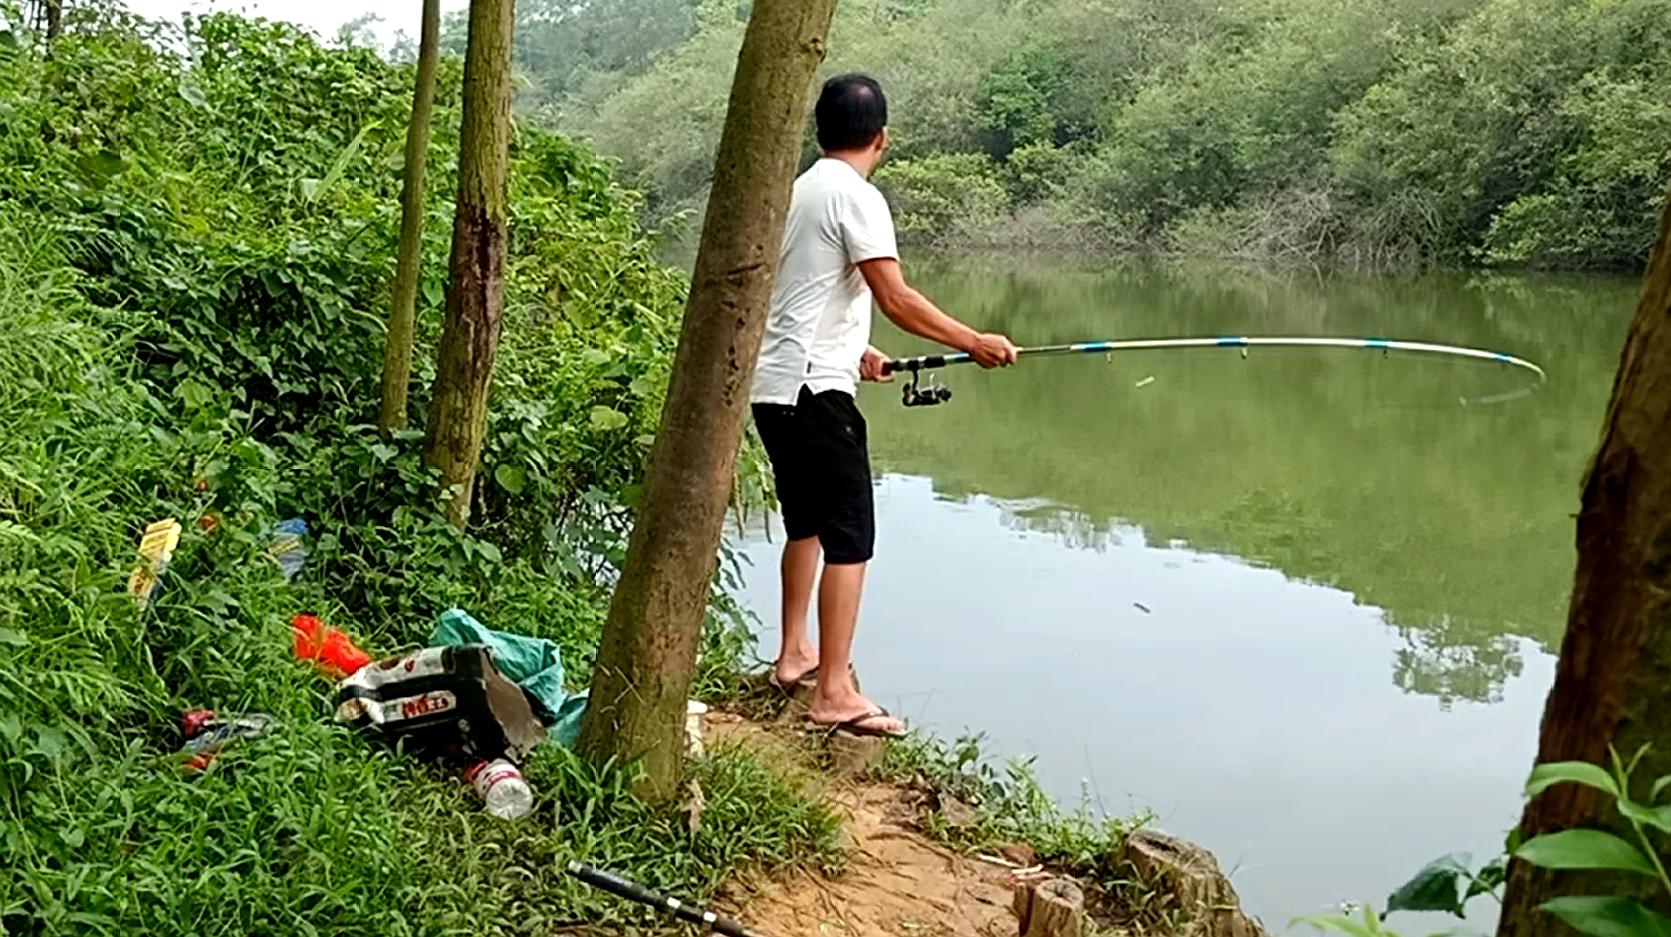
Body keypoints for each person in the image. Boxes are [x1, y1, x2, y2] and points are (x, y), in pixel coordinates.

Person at [749, 74, 1018, 738]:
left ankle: (794, 655)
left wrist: (857, 350)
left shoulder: (800, 192)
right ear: (882, 138)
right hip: (815, 392)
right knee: (850, 537)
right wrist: (973, 340)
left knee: (805, 523)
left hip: (775, 386)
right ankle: (833, 689)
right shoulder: (857, 196)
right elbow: (895, 296)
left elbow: (805, 294)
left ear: (820, 131)